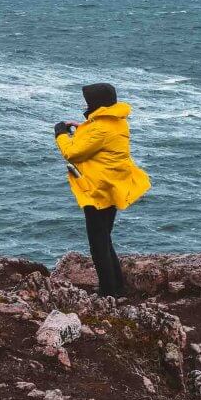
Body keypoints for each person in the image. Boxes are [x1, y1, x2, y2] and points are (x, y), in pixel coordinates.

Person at [54, 83, 151, 298]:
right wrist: (82, 127)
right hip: (111, 187)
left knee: (98, 245)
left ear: (96, 104)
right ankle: (117, 287)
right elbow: (99, 139)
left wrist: (60, 134)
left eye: (88, 101)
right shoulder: (116, 121)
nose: (86, 104)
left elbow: (73, 153)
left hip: (97, 192)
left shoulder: (100, 127)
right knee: (104, 239)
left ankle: (108, 294)